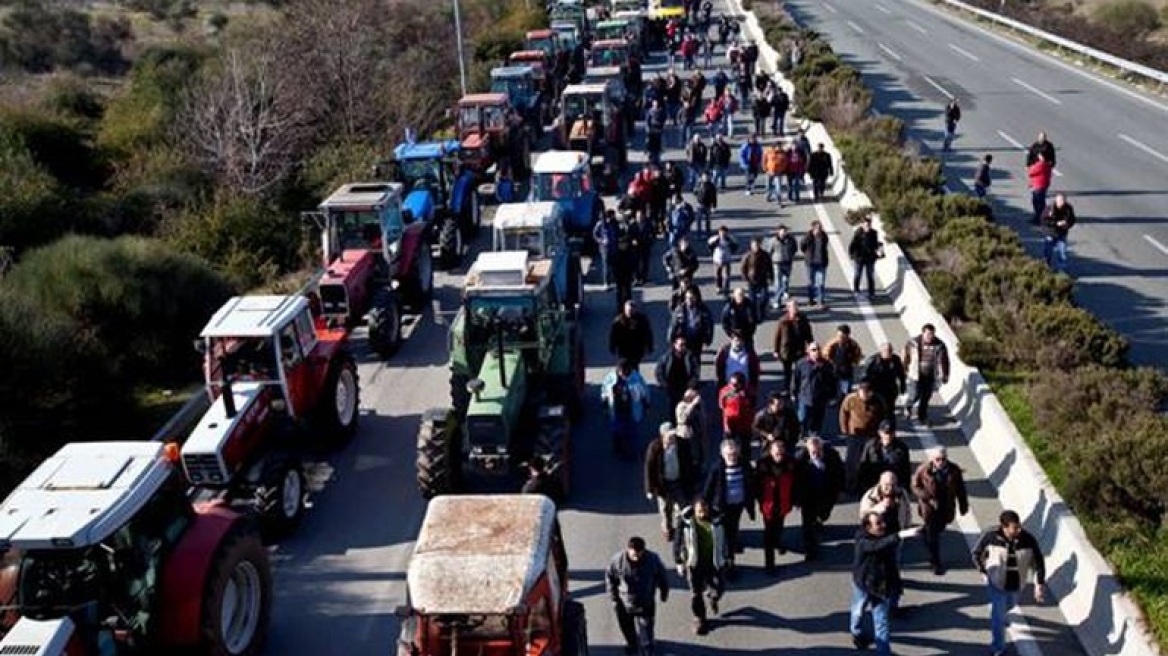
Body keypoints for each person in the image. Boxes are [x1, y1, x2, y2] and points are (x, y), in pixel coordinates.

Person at [972, 510, 1048, 656]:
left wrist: (1039, 585)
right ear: (1004, 527)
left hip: (1017, 585)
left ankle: (1000, 615)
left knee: (1010, 604)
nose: (1018, 530)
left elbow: (1039, 562)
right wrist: (984, 571)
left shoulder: (1028, 540)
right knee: (998, 616)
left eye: (1019, 526)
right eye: (1015, 528)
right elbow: (976, 554)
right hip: (996, 583)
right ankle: (998, 648)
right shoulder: (990, 537)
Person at [851, 512, 922, 655]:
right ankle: (857, 633)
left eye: (882, 522)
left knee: (881, 622)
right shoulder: (863, 540)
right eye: (878, 523)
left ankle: (883, 652)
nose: (883, 525)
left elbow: (891, 564)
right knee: (858, 611)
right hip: (864, 584)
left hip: (880, 587)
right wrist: (900, 535)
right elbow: (875, 546)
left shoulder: (885, 537)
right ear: (868, 527)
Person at [606, 536, 670, 656]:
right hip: (624, 603)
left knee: (646, 629)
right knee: (627, 628)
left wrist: (664, 592)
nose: (636, 558)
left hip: (645, 602)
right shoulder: (618, 561)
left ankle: (647, 649)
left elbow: (662, 576)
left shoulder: (653, 560)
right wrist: (614, 598)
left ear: (643, 551)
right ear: (628, 550)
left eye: (639, 554)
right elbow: (610, 578)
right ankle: (632, 644)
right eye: (633, 555)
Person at [912, 446, 970, 575]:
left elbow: (960, 489)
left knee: (939, 529)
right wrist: (927, 497)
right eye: (937, 459)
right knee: (933, 535)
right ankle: (935, 561)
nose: (941, 462)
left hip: (945, 506)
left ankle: (926, 534)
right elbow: (915, 486)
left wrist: (963, 506)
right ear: (932, 459)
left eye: (943, 459)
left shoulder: (954, 470)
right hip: (929, 508)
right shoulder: (923, 470)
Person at [673, 499, 726, 635]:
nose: (702, 514)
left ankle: (713, 597)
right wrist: (678, 561)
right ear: (694, 511)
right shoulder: (686, 523)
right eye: (699, 512)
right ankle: (699, 618)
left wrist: (729, 556)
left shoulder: (718, 521)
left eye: (705, 511)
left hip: (714, 563)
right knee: (695, 594)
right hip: (694, 564)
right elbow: (677, 542)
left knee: (719, 588)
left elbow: (727, 538)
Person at [703, 438, 755, 570]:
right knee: (723, 532)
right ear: (722, 454)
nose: (732, 457)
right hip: (721, 507)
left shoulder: (745, 465)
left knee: (733, 527)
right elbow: (708, 488)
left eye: (735, 454)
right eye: (729, 454)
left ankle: (730, 557)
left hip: (737, 505)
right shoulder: (717, 468)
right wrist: (704, 505)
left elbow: (751, 484)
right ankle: (725, 558)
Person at [794, 436, 845, 560]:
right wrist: (797, 499)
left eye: (818, 452)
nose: (816, 455)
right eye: (813, 453)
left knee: (824, 514)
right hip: (808, 496)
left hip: (826, 493)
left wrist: (840, 490)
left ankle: (820, 519)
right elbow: (796, 481)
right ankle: (810, 550)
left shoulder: (832, 456)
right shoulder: (800, 459)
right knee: (807, 524)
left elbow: (840, 474)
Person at [646, 424, 697, 541]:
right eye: (669, 436)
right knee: (665, 509)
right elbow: (649, 468)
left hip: (679, 482)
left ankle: (681, 528)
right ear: (663, 436)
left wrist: (692, 482)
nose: (672, 439)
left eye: (673, 435)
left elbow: (689, 463)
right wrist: (650, 489)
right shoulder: (655, 447)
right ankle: (667, 529)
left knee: (683, 508)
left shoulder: (682, 444)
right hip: (663, 484)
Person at [754, 439, 797, 575]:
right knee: (769, 533)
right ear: (771, 452)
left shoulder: (790, 463)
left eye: (781, 453)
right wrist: (760, 500)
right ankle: (769, 564)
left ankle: (777, 542)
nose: (779, 456)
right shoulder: (763, 464)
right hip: (768, 505)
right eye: (777, 453)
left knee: (779, 526)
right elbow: (756, 484)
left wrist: (795, 500)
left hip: (783, 504)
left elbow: (796, 482)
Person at [839, 382, 889, 494]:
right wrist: (845, 430)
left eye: (867, 393)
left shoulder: (879, 400)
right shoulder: (850, 399)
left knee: (870, 461)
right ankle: (850, 485)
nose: (865, 395)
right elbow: (843, 413)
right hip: (854, 436)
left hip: (872, 436)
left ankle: (866, 485)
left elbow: (885, 416)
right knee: (852, 461)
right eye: (863, 392)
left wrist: (882, 433)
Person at [601, 359, 651, 457]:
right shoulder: (611, 378)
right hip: (617, 410)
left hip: (631, 409)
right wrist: (605, 406)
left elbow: (645, 392)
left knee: (632, 431)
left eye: (627, 372)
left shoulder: (636, 378)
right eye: (623, 373)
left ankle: (631, 451)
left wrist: (647, 404)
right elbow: (604, 392)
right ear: (619, 370)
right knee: (617, 431)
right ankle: (618, 449)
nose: (625, 375)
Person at [902, 324, 951, 425]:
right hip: (915, 374)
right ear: (923, 333)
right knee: (915, 394)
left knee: (926, 397)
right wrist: (904, 369)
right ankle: (908, 406)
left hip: (931, 375)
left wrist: (945, 374)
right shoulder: (913, 343)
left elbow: (944, 360)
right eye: (928, 334)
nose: (930, 337)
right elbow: (905, 356)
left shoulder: (940, 345)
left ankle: (922, 416)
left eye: (932, 334)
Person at [791, 341, 836, 438]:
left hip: (820, 397)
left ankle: (813, 435)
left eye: (818, 349)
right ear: (808, 351)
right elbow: (795, 379)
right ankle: (801, 431)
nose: (816, 352)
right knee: (802, 417)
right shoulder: (801, 363)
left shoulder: (827, 365)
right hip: (805, 396)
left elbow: (832, 381)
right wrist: (793, 392)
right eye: (813, 350)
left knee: (817, 419)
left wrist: (832, 396)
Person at [858, 421, 912, 493]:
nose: (888, 436)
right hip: (873, 484)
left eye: (891, 433)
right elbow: (863, 467)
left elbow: (906, 470)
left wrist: (905, 489)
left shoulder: (902, 448)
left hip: (893, 485)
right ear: (879, 433)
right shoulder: (870, 446)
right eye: (886, 433)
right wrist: (863, 487)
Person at [772, 299, 814, 391]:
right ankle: (787, 389)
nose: (795, 308)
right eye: (793, 306)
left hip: (799, 349)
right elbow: (777, 336)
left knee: (799, 370)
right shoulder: (783, 320)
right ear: (788, 308)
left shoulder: (803, 319)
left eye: (796, 306)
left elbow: (808, 334)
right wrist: (776, 350)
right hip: (786, 350)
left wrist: (811, 346)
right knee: (787, 372)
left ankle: (798, 388)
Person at [862, 343, 907, 423]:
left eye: (890, 350)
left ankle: (889, 425)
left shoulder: (896, 360)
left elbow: (901, 374)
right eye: (886, 350)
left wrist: (903, 386)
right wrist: (866, 390)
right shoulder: (872, 361)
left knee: (890, 408)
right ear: (881, 351)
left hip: (891, 388)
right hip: (877, 388)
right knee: (878, 408)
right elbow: (865, 376)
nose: (888, 352)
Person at [655, 335, 701, 411]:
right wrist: (664, 383)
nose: (683, 347)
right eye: (681, 345)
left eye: (684, 345)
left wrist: (691, 383)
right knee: (673, 406)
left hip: (685, 386)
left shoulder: (690, 357)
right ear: (675, 345)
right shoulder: (667, 357)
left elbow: (696, 371)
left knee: (685, 408)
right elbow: (659, 370)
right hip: (672, 386)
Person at [668, 286, 715, 358]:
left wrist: (708, 339)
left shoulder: (703, 310)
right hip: (684, 338)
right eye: (687, 298)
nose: (689, 300)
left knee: (695, 360)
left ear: (696, 298)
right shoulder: (679, 310)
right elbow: (673, 325)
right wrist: (671, 339)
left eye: (691, 298)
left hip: (697, 339)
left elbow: (709, 325)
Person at [714, 331, 762, 401]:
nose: (738, 343)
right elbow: (719, 368)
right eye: (736, 340)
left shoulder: (750, 353)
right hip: (728, 387)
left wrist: (753, 387)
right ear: (731, 340)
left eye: (740, 340)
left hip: (745, 389)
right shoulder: (724, 352)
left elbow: (755, 370)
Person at [610, 300, 655, 369]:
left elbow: (647, 333)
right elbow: (613, 335)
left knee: (634, 366)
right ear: (625, 310)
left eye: (632, 310)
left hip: (636, 349)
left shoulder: (641, 320)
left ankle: (634, 374)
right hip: (623, 349)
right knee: (624, 366)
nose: (630, 312)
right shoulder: (619, 321)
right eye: (628, 310)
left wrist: (649, 346)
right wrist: (612, 347)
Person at [824, 324, 864, 401]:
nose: (839, 338)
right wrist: (831, 365)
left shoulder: (853, 345)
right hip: (834, 373)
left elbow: (858, 355)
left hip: (847, 373)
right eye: (838, 336)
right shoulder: (832, 344)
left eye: (842, 336)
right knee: (833, 392)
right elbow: (825, 355)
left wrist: (854, 363)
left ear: (847, 336)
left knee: (845, 394)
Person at [740, 237, 774, 321]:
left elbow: (770, 267)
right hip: (752, 280)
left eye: (757, 245)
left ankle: (762, 312)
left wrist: (771, 277)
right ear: (751, 246)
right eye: (754, 245)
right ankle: (753, 316)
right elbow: (743, 268)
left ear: (760, 245)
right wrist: (745, 277)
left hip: (762, 279)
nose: (756, 247)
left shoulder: (765, 255)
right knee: (752, 300)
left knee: (764, 298)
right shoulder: (747, 255)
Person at [848, 217, 882, 300]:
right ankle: (856, 290)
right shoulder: (858, 233)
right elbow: (852, 245)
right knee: (858, 274)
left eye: (869, 225)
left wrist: (878, 251)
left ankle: (871, 293)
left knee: (870, 275)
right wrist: (852, 255)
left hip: (870, 258)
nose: (868, 227)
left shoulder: (874, 233)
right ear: (862, 225)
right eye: (866, 225)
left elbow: (875, 244)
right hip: (860, 258)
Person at [676, 386, 708, 469]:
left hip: (697, 433)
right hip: (686, 433)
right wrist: (692, 405)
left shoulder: (699, 406)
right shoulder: (681, 406)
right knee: (689, 455)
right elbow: (683, 418)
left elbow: (703, 418)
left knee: (699, 454)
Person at [1042, 193, 1076, 274]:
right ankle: (1045, 267)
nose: (1062, 202)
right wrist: (1056, 223)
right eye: (1060, 200)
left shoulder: (1068, 208)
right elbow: (1044, 220)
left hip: (1062, 233)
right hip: (1050, 232)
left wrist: (1067, 224)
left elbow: (1072, 219)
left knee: (1062, 252)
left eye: (1063, 200)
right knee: (1048, 251)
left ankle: (1062, 270)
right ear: (1056, 200)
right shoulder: (1050, 208)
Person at [800, 220, 830, 309]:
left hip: (821, 263)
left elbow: (825, 246)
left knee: (820, 283)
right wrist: (808, 255)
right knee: (811, 283)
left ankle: (820, 301)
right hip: (811, 264)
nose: (819, 230)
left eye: (820, 228)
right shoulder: (808, 237)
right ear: (813, 228)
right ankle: (811, 300)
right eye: (817, 228)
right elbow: (802, 247)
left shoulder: (824, 236)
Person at [766, 224, 798, 307]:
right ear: (778, 231)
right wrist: (769, 261)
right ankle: (777, 301)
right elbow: (769, 251)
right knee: (778, 282)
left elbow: (794, 248)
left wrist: (790, 256)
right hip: (777, 263)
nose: (783, 233)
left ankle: (785, 291)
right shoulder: (773, 240)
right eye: (782, 231)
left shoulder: (791, 240)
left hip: (787, 262)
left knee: (786, 280)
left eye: (785, 231)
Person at [707, 225, 739, 296]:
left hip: (726, 260)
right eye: (721, 232)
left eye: (724, 232)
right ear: (718, 232)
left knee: (727, 276)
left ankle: (726, 288)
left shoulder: (730, 239)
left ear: (727, 233)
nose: (722, 234)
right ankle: (719, 287)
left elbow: (735, 246)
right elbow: (709, 246)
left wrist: (731, 249)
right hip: (717, 260)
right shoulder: (715, 239)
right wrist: (712, 251)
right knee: (717, 275)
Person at [594, 209, 621, 289]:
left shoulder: (615, 224)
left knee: (615, 266)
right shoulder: (601, 224)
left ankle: (616, 281)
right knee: (606, 266)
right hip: (605, 248)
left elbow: (619, 233)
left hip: (614, 247)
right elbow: (595, 234)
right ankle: (606, 283)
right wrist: (600, 241)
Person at [1027, 152, 1053, 226]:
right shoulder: (1047, 164)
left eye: (1040, 155)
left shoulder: (1041, 164)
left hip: (1038, 185)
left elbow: (1031, 172)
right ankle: (1040, 217)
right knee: (1040, 202)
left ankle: (1039, 218)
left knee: (1037, 202)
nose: (1038, 156)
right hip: (1042, 184)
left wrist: (1032, 166)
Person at [694, 171, 717, 236]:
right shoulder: (699, 184)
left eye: (707, 176)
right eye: (704, 176)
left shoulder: (711, 185)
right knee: (699, 220)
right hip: (700, 205)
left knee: (708, 220)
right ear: (702, 177)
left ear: (709, 177)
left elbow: (714, 196)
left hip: (708, 205)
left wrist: (714, 206)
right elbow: (695, 192)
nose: (705, 178)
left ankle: (708, 232)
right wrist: (696, 189)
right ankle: (699, 233)